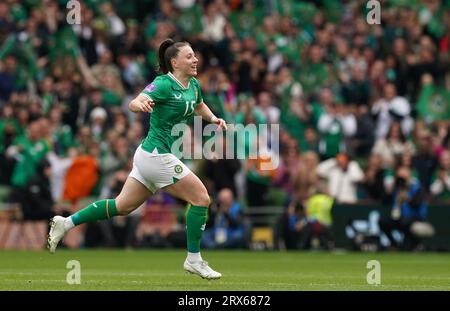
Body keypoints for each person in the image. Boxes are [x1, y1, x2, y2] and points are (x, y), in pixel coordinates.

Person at [47, 39, 227, 280]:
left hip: (148, 156)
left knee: (122, 206)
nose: (195, 60)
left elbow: (199, 105)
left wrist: (214, 119)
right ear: (174, 62)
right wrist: (141, 103)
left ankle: (65, 223)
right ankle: (193, 260)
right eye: (189, 56)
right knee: (201, 198)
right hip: (156, 155)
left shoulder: (193, 85)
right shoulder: (163, 83)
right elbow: (135, 102)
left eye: (195, 56)